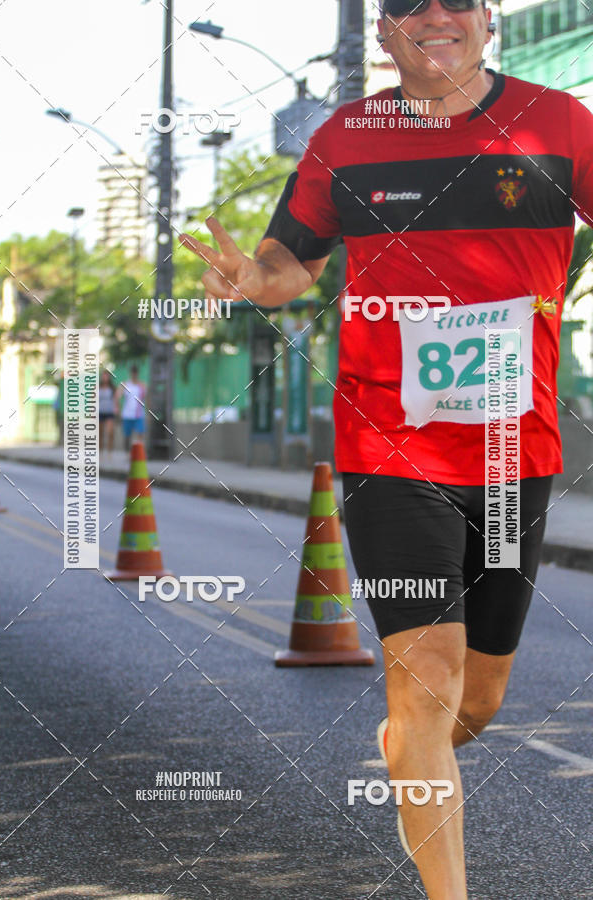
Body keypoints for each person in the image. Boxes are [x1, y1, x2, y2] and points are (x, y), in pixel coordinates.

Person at [180, 1, 593, 895]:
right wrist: (252, 279)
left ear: (488, 23)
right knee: (425, 682)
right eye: (410, 2)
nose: (433, 16)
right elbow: (290, 263)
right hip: (388, 448)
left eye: (456, 1)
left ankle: (415, 741)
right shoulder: (347, 138)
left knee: (474, 703)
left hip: (512, 453)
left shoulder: (560, 124)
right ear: (383, 31)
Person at [116, 365, 146, 450]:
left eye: (135, 372)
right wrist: (118, 409)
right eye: (133, 372)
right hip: (127, 415)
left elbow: (147, 398)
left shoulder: (142, 385)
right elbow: (117, 397)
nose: (134, 374)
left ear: (137, 373)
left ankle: (139, 454)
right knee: (127, 436)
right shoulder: (125, 384)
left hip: (139, 415)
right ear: (130, 373)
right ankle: (127, 452)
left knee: (140, 433)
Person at [99, 369, 117, 457]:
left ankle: (109, 452)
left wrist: (117, 409)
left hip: (109, 412)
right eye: (104, 376)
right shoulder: (98, 387)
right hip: (100, 412)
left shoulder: (112, 388)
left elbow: (115, 400)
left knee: (110, 432)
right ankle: (100, 452)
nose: (105, 378)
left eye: (107, 376)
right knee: (100, 433)